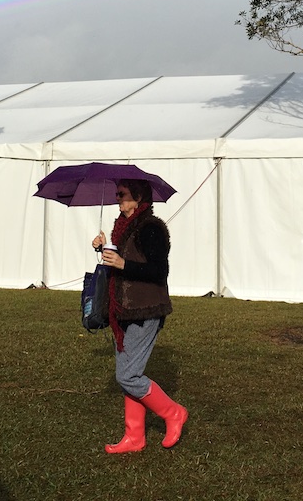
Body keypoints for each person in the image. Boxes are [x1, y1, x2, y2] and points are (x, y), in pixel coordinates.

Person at [92, 178, 188, 453]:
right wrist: (104, 249)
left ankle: (173, 413)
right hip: (123, 309)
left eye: (122, 195)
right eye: (117, 195)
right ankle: (134, 437)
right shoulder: (122, 229)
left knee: (128, 375)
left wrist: (122, 262)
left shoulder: (152, 229)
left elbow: (159, 271)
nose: (118, 200)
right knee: (130, 375)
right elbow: (127, 264)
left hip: (146, 309)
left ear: (139, 197)